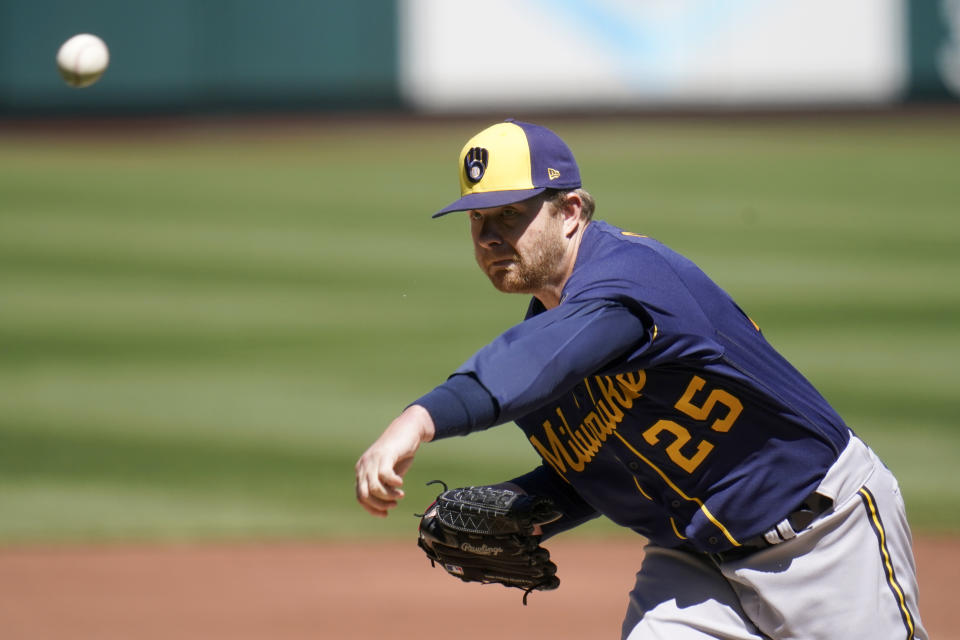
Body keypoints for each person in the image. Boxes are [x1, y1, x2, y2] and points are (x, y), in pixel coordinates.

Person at [354, 119, 926, 639]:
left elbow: (533, 359)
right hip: (696, 559)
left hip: (822, 534)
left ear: (571, 210)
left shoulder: (630, 282)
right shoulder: (552, 355)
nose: (489, 237)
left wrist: (420, 418)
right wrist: (523, 505)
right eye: (478, 219)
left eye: (511, 214)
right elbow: (596, 469)